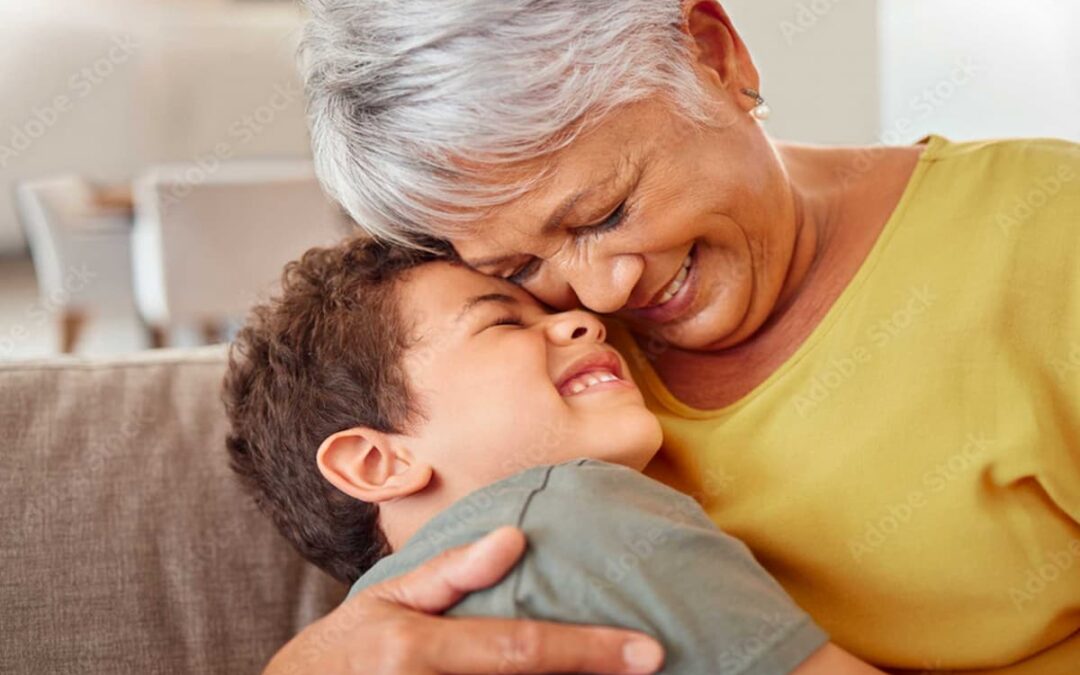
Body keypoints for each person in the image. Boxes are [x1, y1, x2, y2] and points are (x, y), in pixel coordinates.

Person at [278, 0, 1080, 672]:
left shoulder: (1049, 235)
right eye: (519, 267)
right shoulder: (536, 381)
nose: (598, 294)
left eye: (605, 212)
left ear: (713, 51)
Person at [222, 236, 882, 674]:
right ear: (376, 462)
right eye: (503, 322)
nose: (586, 321)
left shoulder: (352, 640)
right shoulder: (581, 514)